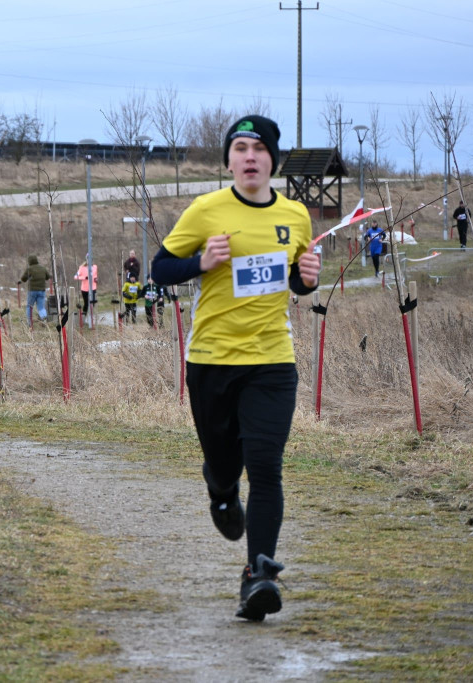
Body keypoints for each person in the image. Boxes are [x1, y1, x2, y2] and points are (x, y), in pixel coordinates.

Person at [151, 115, 320, 622]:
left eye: (259, 149)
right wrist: (200, 263)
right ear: (228, 160)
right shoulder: (207, 210)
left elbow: (295, 280)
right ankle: (220, 491)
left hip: (272, 360)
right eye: (240, 148)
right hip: (211, 361)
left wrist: (307, 280)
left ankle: (258, 577)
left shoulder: (295, 216)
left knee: (266, 467)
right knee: (227, 468)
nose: (250, 157)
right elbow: (161, 268)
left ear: (272, 160)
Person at [18, 254, 51, 323]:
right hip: (42, 291)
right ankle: (44, 319)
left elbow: (23, 279)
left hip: (32, 291)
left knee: (29, 307)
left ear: (29, 261)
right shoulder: (43, 268)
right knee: (41, 307)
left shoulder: (29, 269)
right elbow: (48, 277)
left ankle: (29, 323)